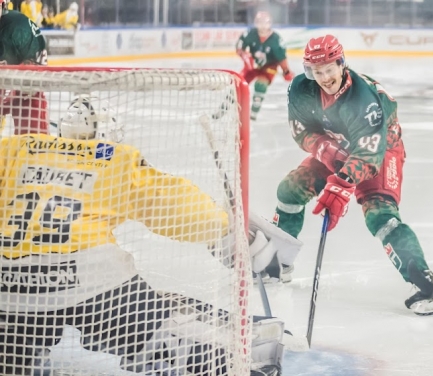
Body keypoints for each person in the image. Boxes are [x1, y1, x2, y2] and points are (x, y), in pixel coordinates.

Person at [0, 96, 290, 376]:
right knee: (165, 331)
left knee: (16, 344)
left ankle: (21, 355)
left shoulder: (15, 148)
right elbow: (175, 206)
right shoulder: (112, 157)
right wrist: (226, 229)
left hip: (7, 285)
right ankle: (238, 360)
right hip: (89, 279)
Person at [262, 34, 433, 316]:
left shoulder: (363, 99)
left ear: (341, 64)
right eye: (317, 71)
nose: (324, 77)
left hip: (381, 149)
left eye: (329, 69)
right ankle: (281, 261)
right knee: (290, 190)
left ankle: (423, 283)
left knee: (380, 215)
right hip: (338, 145)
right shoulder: (301, 89)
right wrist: (323, 148)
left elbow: (368, 153)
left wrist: (341, 185)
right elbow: (299, 129)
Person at [0, 0, 50, 135]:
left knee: (32, 141)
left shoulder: (19, 27)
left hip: (23, 91)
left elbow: (36, 68)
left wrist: (16, 91)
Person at [236, 11, 293, 121]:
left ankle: (253, 112)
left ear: (269, 23)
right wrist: (246, 58)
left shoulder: (276, 40)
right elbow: (239, 47)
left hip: (268, 68)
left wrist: (286, 71)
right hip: (252, 67)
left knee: (260, 85)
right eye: (259, 22)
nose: (262, 25)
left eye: (265, 22)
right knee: (238, 84)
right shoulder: (250, 34)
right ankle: (227, 105)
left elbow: (282, 58)